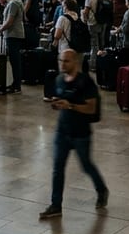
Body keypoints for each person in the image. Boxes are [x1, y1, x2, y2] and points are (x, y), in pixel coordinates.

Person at [39, 48, 108, 220]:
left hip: (81, 134)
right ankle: (56, 205)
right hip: (63, 131)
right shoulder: (59, 79)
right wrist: (58, 105)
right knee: (57, 169)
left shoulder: (86, 82)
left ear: (75, 62)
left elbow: (91, 108)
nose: (62, 64)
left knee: (86, 166)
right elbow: (61, 101)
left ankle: (101, 190)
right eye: (61, 60)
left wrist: (70, 105)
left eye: (66, 61)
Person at [0, 0, 26, 93]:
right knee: (15, 60)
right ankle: (16, 83)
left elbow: (10, 21)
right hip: (14, 34)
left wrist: (0, 29)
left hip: (13, 34)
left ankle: (16, 84)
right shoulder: (15, 2)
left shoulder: (14, 3)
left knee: (15, 61)